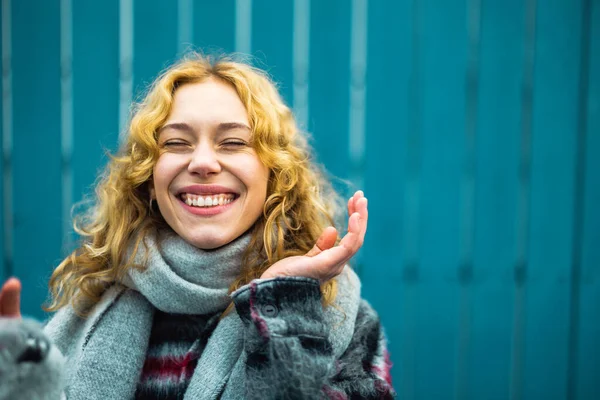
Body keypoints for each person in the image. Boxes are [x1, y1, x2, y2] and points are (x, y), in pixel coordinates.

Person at [0, 54, 395, 399]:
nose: (203, 162)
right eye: (176, 143)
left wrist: (283, 306)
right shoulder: (89, 302)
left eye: (233, 142)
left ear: (275, 177)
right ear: (147, 180)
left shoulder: (338, 317)